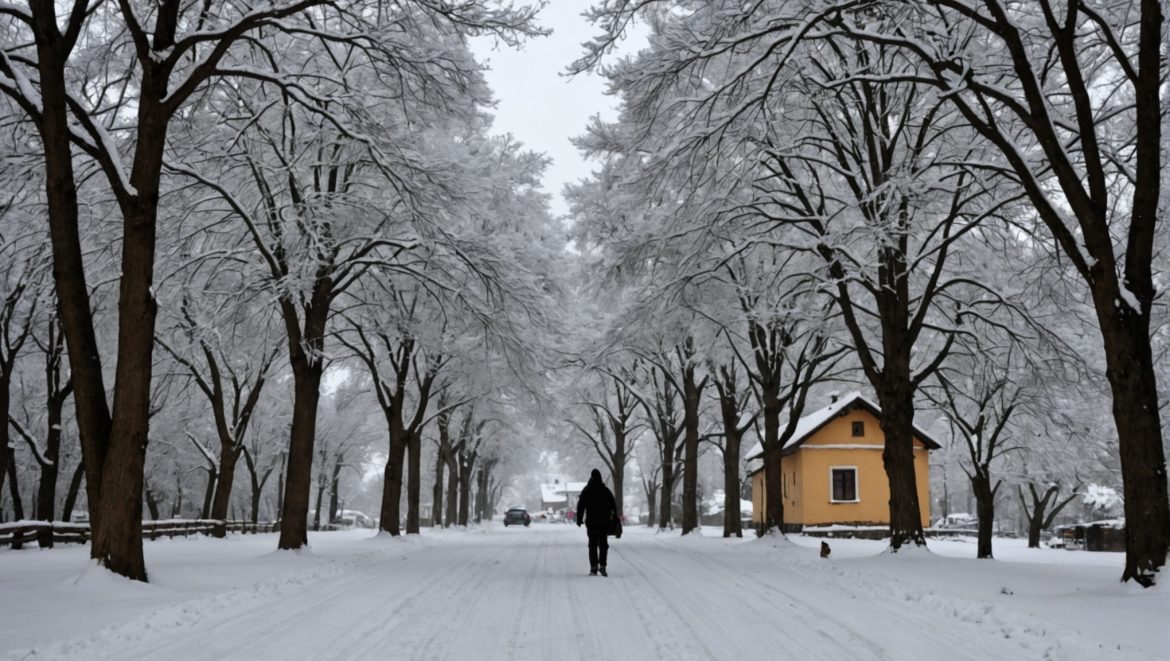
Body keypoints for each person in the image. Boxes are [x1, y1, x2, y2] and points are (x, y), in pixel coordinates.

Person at [575, 468, 617, 576]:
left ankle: (593, 568)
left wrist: (579, 519)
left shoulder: (587, 490)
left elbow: (581, 506)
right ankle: (602, 566)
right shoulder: (605, 490)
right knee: (603, 544)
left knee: (592, 545)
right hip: (604, 522)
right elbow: (613, 505)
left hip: (592, 523)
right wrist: (614, 518)